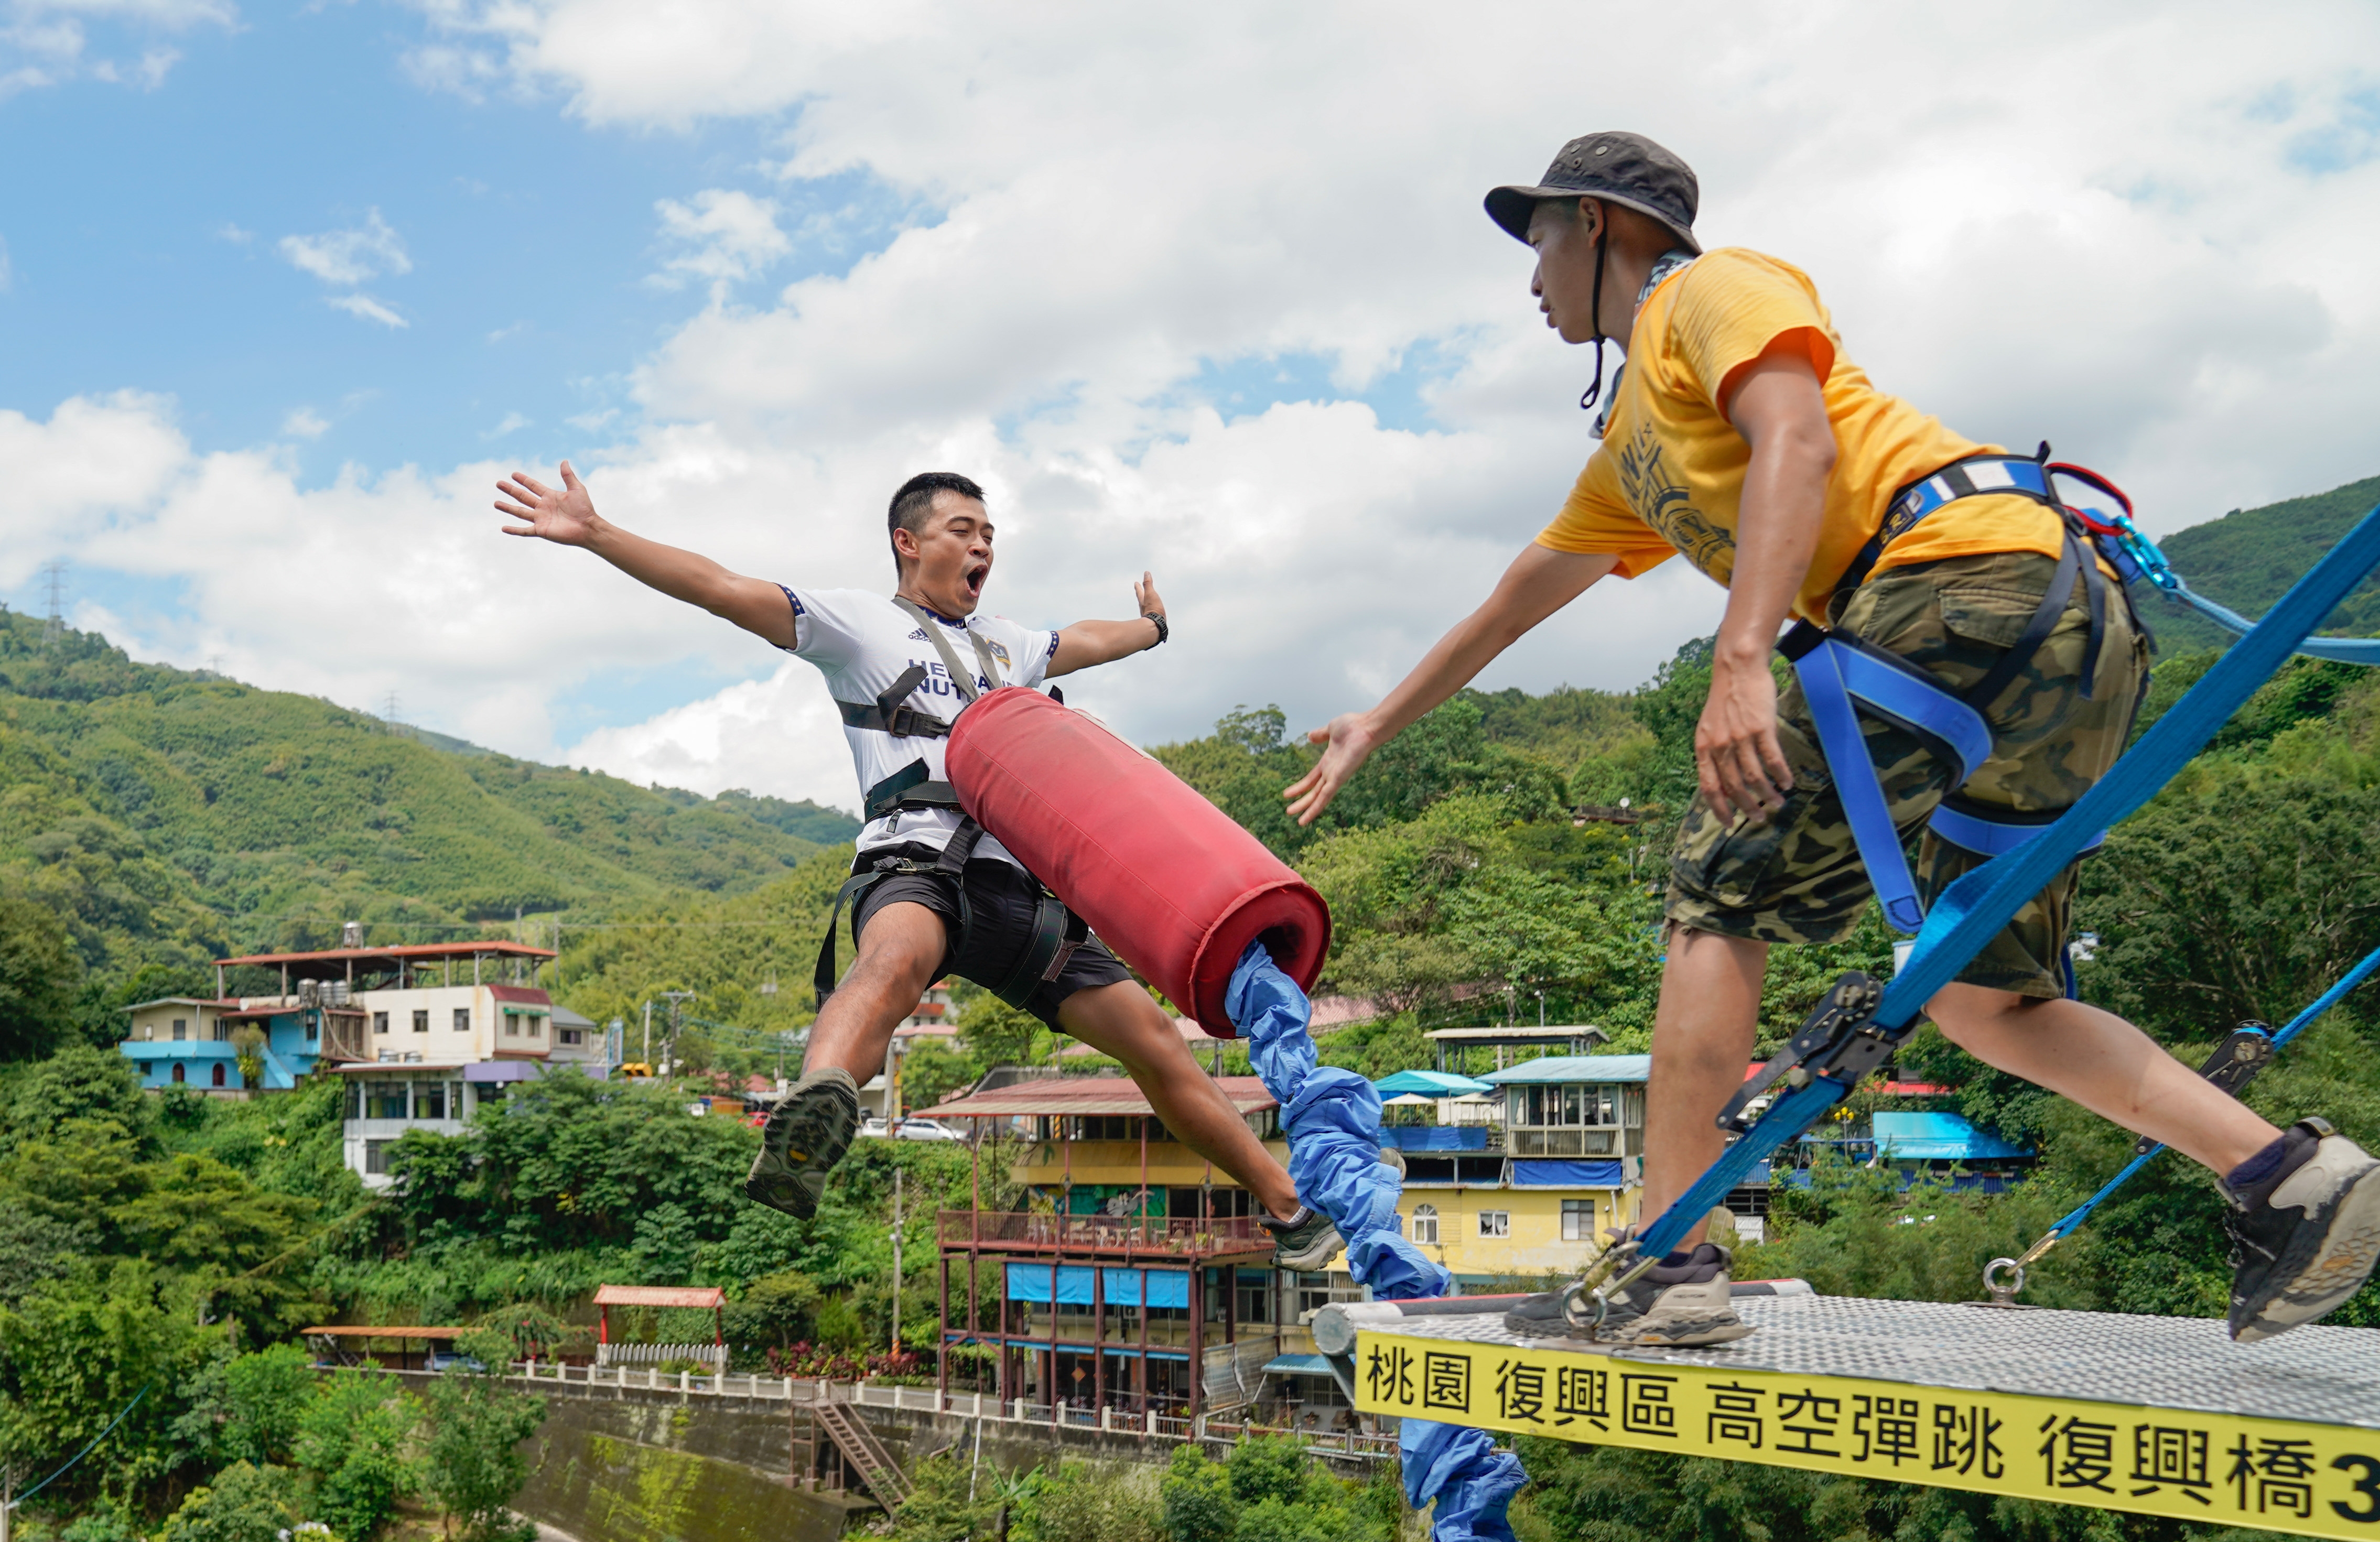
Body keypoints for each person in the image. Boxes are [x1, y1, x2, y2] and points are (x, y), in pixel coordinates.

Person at [1283, 132, 2380, 1345]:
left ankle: (1669, 1265)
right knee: (1981, 995)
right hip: (2059, 636)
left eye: (1535, 236)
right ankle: (2285, 1176)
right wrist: (1379, 719)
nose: (1528, 275)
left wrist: (1741, 655)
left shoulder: (1706, 290)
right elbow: (1519, 594)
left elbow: (1795, 438)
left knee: (1715, 894)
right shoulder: (1630, 450)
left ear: (1598, 222)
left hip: (1953, 576)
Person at [495, 464, 1343, 1270]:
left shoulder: (1008, 644)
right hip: (917, 860)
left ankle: (1289, 1210)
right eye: (963, 530)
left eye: (990, 535)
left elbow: (1083, 640)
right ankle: (817, 1107)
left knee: (1156, 1042)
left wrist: (1153, 631)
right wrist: (600, 533)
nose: (984, 548)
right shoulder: (858, 625)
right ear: (908, 541)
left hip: (1022, 887)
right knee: (892, 964)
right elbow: (723, 590)